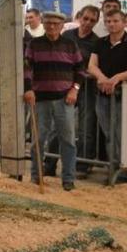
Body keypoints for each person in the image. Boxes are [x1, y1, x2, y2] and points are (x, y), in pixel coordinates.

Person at [23, 11, 83, 191]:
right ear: (44, 23)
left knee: (68, 140)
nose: (51, 26)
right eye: (48, 23)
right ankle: (36, 175)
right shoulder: (34, 44)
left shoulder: (70, 45)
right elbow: (27, 69)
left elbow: (80, 69)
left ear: (62, 25)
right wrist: (28, 89)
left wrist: (75, 89)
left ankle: (68, 179)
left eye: (55, 24)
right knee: (38, 140)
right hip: (40, 99)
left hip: (65, 99)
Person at [88, 9, 127, 179]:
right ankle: (115, 167)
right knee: (109, 134)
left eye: (115, 21)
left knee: (120, 134)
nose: (111, 24)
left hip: (124, 96)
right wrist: (103, 79)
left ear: (123, 22)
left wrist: (117, 78)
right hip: (103, 95)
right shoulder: (100, 42)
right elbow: (91, 65)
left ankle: (123, 170)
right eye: (108, 21)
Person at [62, 5, 101, 177]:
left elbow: (94, 66)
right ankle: (50, 162)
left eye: (92, 20)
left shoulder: (97, 42)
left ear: (96, 22)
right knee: (60, 124)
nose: (87, 23)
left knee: (86, 127)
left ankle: (83, 165)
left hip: (87, 88)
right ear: (79, 17)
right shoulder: (67, 35)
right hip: (65, 85)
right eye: (85, 18)